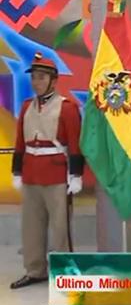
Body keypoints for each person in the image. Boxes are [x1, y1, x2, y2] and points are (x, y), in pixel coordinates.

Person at [10, 53, 83, 289]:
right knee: (31, 226)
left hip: (56, 175)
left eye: (41, 78)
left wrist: (76, 175)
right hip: (31, 173)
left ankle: (64, 272)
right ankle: (35, 270)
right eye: (34, 78)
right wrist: (17, 171)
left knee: (61, 226)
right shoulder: (26, 107)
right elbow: (20, 142)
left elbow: (74, 143)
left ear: (53, 80)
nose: (36, 82)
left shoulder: (68, 107)